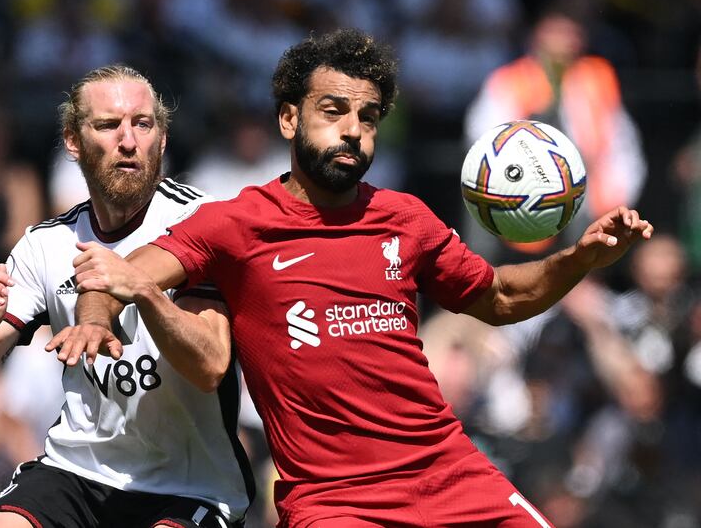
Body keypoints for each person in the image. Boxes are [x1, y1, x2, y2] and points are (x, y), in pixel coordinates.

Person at [51, 30, 652, 527]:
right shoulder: (234, 225)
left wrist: (580, 258)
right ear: (289, 119)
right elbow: (113, 274)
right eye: (333, 112)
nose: (353, 131)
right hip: (335, 503)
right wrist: (94, 323)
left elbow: (498, 296)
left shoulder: (405, 218)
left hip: (451, 475)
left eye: (368, 117)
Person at [0, 65, 254, 528]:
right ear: (73, 140)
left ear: (163, 139)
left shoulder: (202, 221)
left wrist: (145, 290)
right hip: (76, 471)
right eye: (108, 125)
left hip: (190, 484)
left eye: (143, 124)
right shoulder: (45, 242)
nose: (128, 141)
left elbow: (210, 366)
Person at [463, 6, 647, 261]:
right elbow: (481, 135)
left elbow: (622, 141)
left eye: (572, 32)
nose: (565, 40)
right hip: (518, 185)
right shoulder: (511, 79)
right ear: (537, 35)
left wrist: (619, 186)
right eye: (557, 31)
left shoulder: (597, 76)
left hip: (583, 190)